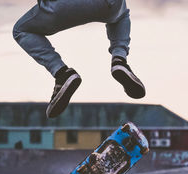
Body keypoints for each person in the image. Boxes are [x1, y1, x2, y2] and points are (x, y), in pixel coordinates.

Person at [13, 0, 146, 118]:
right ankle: (119, 59)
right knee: (121, 13)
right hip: (107, 4)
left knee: (21, 30)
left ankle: (61, 73)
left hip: (60, 7)